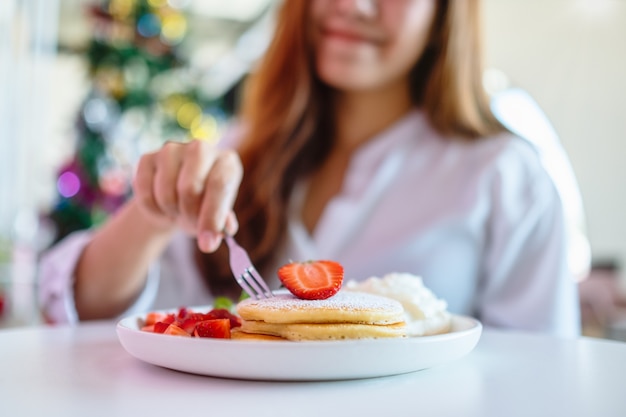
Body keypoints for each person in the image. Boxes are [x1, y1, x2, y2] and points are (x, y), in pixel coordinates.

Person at [39, 0, 581, 337]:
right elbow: (84, 311)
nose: (352, 4)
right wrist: (153, 213)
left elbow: (540, 375)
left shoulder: (507, 177)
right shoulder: (241, 151)